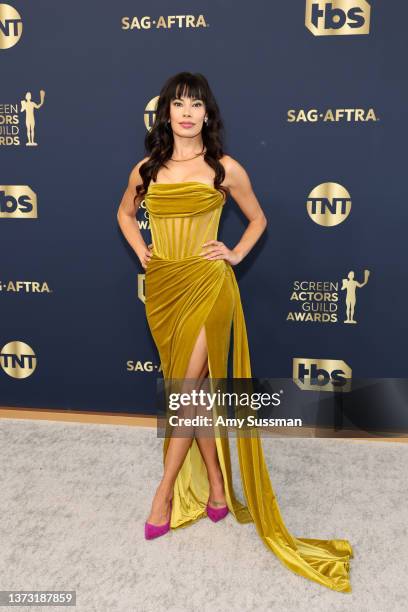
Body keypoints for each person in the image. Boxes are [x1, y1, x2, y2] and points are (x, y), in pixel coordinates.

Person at [117, 72, 353, 592]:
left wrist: (236, 253)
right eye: (177, 104)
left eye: (195, 104)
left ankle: (163, 491)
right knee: (193, 392)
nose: (186, 113)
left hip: (209, 286)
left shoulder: (224, 169)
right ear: (166, 114)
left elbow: (258, 219)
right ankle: (218, 488)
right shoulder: (147, 168)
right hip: (162, 289)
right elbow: (124, 212)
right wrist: (140, 250)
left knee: (183, 392)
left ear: (207, 114)